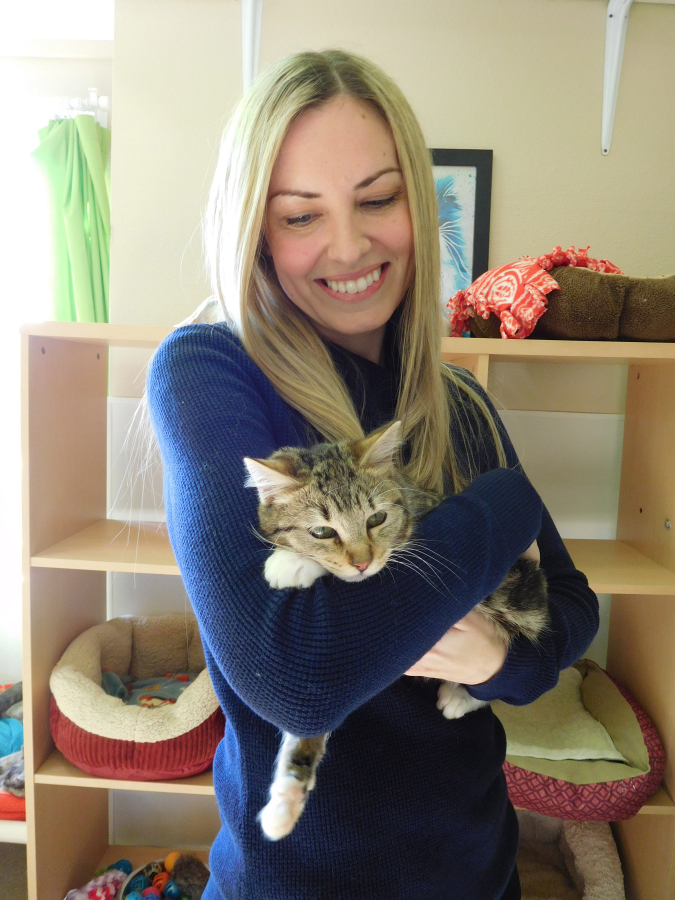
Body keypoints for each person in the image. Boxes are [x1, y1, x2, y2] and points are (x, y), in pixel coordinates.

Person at [147, 50, 598, 900]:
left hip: (476, 874)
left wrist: (499, 659)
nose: (349, 246)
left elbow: (570, 612)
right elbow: (297, 677)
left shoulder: (457, 401)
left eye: (378, 199)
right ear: (252, 229)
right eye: (299, 216)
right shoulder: (211, 373)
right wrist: (504, 504)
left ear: (417, 207)